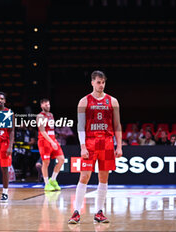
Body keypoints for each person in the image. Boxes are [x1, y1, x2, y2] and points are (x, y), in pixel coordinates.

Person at [68, 70, 123, 224]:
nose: (101, 85)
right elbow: (80, 125)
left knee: (103, 179)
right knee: (84, 177)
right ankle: (76, 212)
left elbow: (117, 124)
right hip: (90, 143)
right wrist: (83, 146)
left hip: (107, 143)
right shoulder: (84, 101)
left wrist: (119, 146)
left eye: (103, 82)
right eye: (98, 82)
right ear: (92, 82)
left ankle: (99, 212)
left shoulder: (113, 101)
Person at [37, 99, 65, 191]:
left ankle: (53, 180)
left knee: (61, 159)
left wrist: (54, 140)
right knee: (46, 162)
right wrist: (51, 142)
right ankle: (46, 184)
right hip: (44, 141)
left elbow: (51, 129)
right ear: (41, 106)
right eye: (45, 105)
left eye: (48, 104)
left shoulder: (51, 115)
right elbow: (42, 131)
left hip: (53, 139)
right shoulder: (40, 116)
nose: (47, 106)